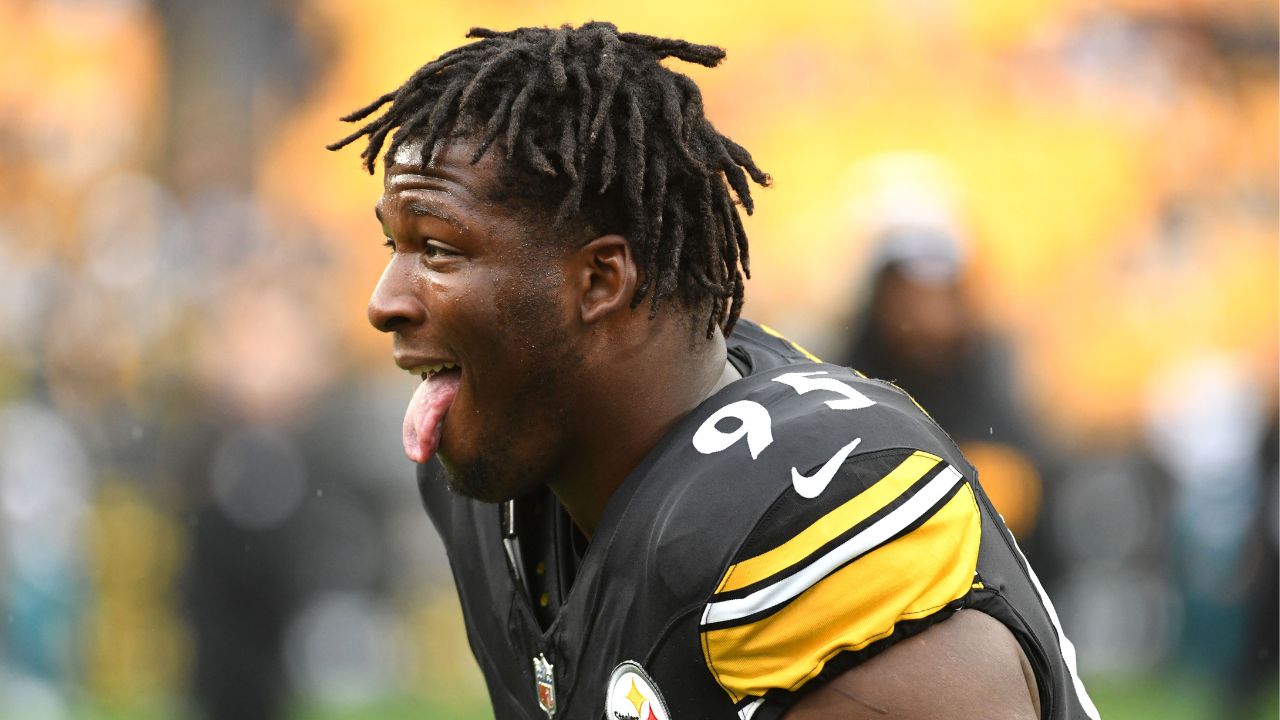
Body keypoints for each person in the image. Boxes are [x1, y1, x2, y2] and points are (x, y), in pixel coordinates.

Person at [330, 22, 1099, 720]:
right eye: (391, 247)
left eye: (437, 249)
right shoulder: (493, 480)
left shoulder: (798, 518)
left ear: (600, 281)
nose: (383, 301)